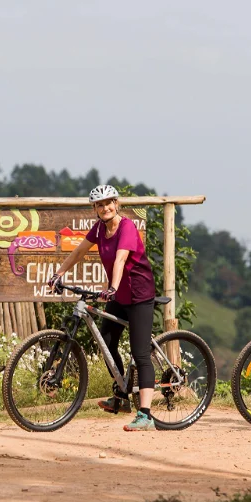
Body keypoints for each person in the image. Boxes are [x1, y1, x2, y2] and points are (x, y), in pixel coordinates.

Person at [48, 184, 157, 431]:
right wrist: (59, 273)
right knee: (107, 343)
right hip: (118, 295)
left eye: (109, 203)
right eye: (100, 204)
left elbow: (120, 259)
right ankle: (121, 394)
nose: (105, 208)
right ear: (95, 209)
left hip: (139, 295)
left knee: (140, 353)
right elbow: (78, 252)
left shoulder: (127, 227)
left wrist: (113, 287)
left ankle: (146, 414)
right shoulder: (99, 228)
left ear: (117, 204)